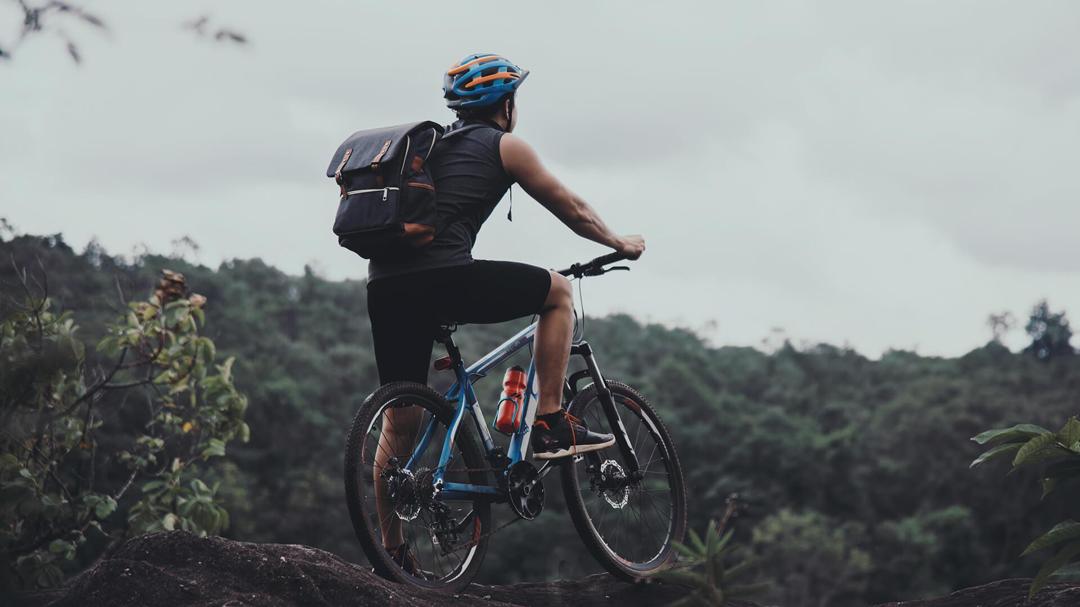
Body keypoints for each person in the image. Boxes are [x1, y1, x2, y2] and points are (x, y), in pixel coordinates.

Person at [367, 53, 645, 565]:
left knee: (397, 419)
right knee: (557, 292)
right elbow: (573, 208)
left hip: (385, 286)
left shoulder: (429, 148)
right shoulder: (505, 145)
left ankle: (392, 553)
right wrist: (618, 242)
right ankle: (549, 421)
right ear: (507, 104)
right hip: (445, 277)